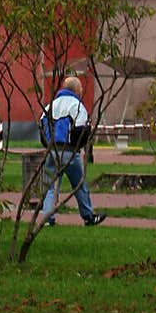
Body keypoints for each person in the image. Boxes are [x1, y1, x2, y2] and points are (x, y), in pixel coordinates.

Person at [39, 75, 106, 227]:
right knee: (79, 185)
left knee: (50, 186)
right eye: (80, 88)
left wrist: (48, 145)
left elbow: (41, 128)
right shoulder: (76, 106)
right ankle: (88, 216)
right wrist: (78, 147)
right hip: (69, 151)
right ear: (76, 89)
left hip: (52, 150)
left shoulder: (50, 106)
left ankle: (47, 218)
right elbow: (81, 130)